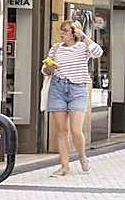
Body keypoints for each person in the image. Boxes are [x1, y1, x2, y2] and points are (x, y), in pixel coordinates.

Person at [42, 20, 103, 176]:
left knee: (76, 130)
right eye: (61, 30)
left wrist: (84, 37)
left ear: (74, 33)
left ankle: (82, 157)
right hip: (58, 88)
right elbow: (45, 70)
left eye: (66, 31)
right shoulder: (55, 48)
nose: (62, 33)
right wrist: (48, 68)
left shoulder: (83, 47)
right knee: (62, 130)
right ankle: (64, 166)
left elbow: (98, 52)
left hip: (77, 89)